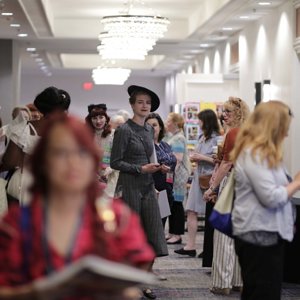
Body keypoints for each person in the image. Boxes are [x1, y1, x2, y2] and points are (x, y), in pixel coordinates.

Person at [0, 113, 155, 299]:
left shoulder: (117, 218)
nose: (73, 163)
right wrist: (36, 292)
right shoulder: (17, 224)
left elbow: (137, 269)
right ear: (43, 162)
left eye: (82, 152)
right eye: (60, 153)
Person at [230, 101, 300, 300]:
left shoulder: (265, 155)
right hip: (258, 235)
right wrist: (296, 183)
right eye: (285, 128)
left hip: (266, 233)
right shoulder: (254, 155)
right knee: (263, 292)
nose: (286, 134)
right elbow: (271, 197)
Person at [110, 85, 168, 299]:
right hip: (130, 187)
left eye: (148, 103)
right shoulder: (124, 130)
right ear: (132, 105)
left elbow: (150, 158)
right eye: (140, 102)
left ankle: (143, 280)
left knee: (154, 234)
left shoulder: (149, 130)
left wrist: (159, 167)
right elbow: (115, 162)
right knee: (130, 236)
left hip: (147, 185)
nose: (145, 106)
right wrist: (139, 169)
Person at [203, 97, 250, 295]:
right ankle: (238, 280)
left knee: (223, 234)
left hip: (232, 183)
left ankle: (222, 282)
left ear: (238, 114)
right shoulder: (250, 132)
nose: (224, 115)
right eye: (224, 111)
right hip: (247, 185)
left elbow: (226, 165)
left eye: (228, 112)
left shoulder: (232, 133)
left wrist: (211, 187)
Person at [0, 86, 71, 205]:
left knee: (22, 221)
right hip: (56, 182)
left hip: (25, 182)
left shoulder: (23, 128)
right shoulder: (67, 132)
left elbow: (10, 161)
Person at [175, 109, 220, 266]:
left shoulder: (217, 138)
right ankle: (191, 245)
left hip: (208, 179)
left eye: (200, 120)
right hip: (198, 177)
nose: (198, 123)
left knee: (206, 214)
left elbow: (219, 161)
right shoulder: (202, 137)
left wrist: (200, 157)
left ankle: (200, 247)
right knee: (191, 210)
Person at [145, 113, 177, 226]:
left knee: (161, 224)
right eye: (148, 125)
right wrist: (159, 168)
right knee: (152, 226)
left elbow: (173, 163)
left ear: (160, 127)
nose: (151, 128)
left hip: (166, 189)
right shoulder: (144, 146)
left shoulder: (165, 145)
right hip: (152, 189)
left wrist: (168, 168)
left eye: (154, 125)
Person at [164, 112, 191, 245]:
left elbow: (178, 159)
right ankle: (172, 232)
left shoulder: (178, 138)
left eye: (168, 121)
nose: (166, 123)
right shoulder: (173, 137)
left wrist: (169, 173)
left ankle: (177, 233)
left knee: (177, 204)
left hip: (178, 175)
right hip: (173, 174)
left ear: (175, 123)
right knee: (172, 204)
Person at [85, 107, 113, 183]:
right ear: (90, 120)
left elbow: (118, 157)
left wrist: (111, 168)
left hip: (109, 176)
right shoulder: (86, 136)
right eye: (94, 118)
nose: (98, 121)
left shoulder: (113, 135)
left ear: (106, 119)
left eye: (101, 117)